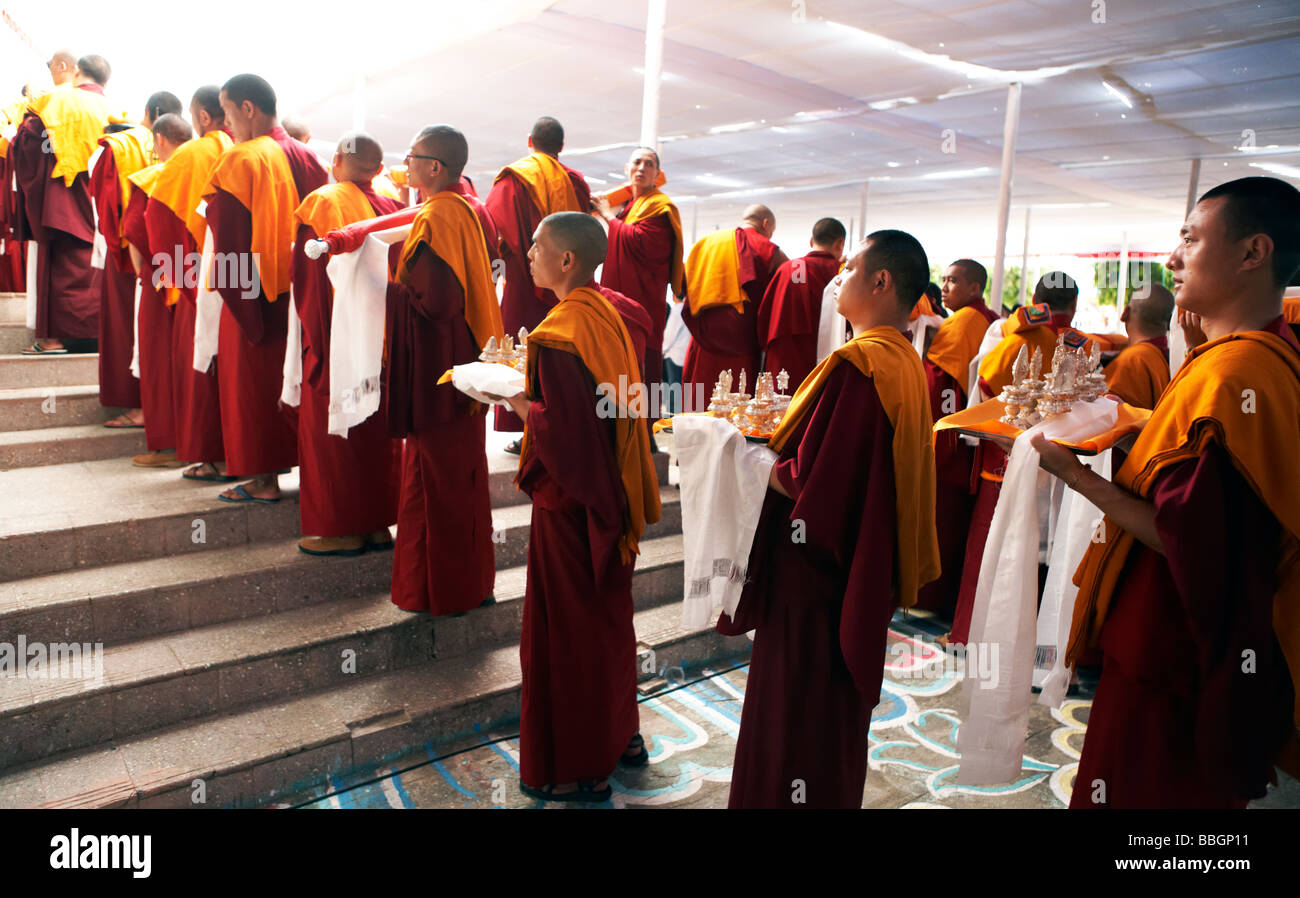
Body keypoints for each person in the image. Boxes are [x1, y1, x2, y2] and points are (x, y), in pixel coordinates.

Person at [1037, 176, 1300, 808]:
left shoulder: (1234, 374)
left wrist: (1072, 473)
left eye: (1190, 238)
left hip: (1175, 649)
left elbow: (1187, 538)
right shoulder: (1257, 354)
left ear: (1252, 252)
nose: (1172, 258)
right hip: (1202, 644)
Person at [720, 229, 940, 808]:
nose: (837, 279)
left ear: (881, 282)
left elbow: (811, 486)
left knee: (793, 724)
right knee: (830, 726)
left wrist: (741, 454)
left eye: (849, 269)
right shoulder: (902, 364)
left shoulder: (860, 365)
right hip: (856, 577)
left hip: (812, 583)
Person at [497, 211, 660, 802]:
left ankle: (576, 766)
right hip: (612, 491)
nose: (528, 254)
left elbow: (563, 434)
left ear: (567, 260)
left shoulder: (561, 331)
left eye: (536, 247)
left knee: (565, 635)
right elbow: (613, 406)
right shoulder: (608, 312)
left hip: (572, 506)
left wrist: (515, 399)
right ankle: (620, 737)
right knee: (607, 623)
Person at [386, 125, 502, 614]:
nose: (406, 165)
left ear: (434, 167)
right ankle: (469, 582)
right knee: (457, 475)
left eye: (411, 157)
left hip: (439, 372)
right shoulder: (470, 210)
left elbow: (434, 302)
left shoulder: (437, 216)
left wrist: (384, 289)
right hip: (465, 361)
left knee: (437, 481)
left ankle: (443, 590)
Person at [946, 273, 1098, 645]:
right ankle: (1034, 643)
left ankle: (971, 632)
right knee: (1045, 554)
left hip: (1006, 457)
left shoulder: (1020, 334)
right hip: (1061, 465)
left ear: (1034, 298)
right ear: (1074, 305)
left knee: (990, 543)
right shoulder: (1083, 345)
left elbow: (984, 379)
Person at [204, 74, 328, 503]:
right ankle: (305, 468)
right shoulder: (308, 157)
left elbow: (229, 236)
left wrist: (237, 300)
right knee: (295, 381)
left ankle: (263, 481)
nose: (226, 123)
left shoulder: (241, 159)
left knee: (252, 386)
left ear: (248, 108)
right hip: (303, 293)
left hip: (255, 295)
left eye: (227, 111)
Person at [290, 132, 404, 556]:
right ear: (377, 169)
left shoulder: (324, 202)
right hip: (384, 340)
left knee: (335, 437)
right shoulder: (391, 208)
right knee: (375, 434)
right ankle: (377, 526)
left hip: (339, 338)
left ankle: (340, 529)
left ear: (336, 160)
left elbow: (310, 281)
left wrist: (318, 348)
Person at [139, 86, 231, 475]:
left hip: (198, 275)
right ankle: (233, 453)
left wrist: (176, 280)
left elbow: (158, 217)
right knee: (230, 369)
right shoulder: (240, 147)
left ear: (204, 118)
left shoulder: (194, 153)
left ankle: (206, 454)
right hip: (241, 275)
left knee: (197, 363)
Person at [484, 116, 590, 447]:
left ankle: (528, 431)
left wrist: (494, 278)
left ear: (530, 141)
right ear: (561, 146)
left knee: (521, 354)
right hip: (568, 285)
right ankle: (558, 424)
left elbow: (495, 238)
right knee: (561, 356)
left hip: (521, 284)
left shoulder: (512, 179)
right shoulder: (576, 182)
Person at [11, 54, 115, 354]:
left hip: (66, 198)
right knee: (100, 266)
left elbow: (30, 143)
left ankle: (54, 339)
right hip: (102, 201)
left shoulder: (58, 100)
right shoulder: (116, 109)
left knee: (62, 264)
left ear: (77, 72)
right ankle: (100, 335)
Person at [91, 91, 181, 427]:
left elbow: (105, 204)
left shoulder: (120, 145)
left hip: (130, 251)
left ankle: (136, 403)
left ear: (149, 112)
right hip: (175, 260)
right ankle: (162, 407)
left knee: (132, 328)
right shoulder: (190, 151)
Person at [915, 259, 999, 616]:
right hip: (973, 434)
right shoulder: (991, 318)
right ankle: (946, 594)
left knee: (939, 513)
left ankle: (928, 595)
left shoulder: (963, 322)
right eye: (944, 280)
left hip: (947, 435)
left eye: (953, 281)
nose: (945, 287)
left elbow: (938, 382)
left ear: (974, 288)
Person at [120, 113, 191, 467]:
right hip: (204, 277)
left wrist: (144, 276)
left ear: (160, 140)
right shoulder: (206, 168)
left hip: (160, 279)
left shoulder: (153, 178)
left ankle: (168, 446)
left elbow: (135, 233)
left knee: (160, 360)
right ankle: (197, 444)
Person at [591, 146, 684, 411]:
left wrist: (609, 216)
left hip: (642, 301)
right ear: (627, 169)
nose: (641, 168)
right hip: (618, 300)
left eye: (649, 164)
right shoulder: (631, 206)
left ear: (657, 174)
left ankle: (644, 439)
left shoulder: (659, 206)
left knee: (639, 366)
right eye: (637, 162)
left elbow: (644, 243)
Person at [680, 204, 788, 410]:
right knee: (735, 409)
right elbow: (789, 284)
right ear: (766, 224)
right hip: (742, 344)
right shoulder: (769, 249)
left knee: (700, 404)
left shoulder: (708, 243)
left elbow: (685, 282)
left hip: (703, 340)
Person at [756, 217, 845, 389]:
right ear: (840, 244)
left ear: (812, 241)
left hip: (781, 358)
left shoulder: (788, 268)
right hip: (823, 359)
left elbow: (764, 316)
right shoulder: (841, 273)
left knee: (779, 409)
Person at [1102, 282, 1175, 409]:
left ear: (1125, 312)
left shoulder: (1132, 360)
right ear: (1168, 322)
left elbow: (1102, 412)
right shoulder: (1172, 358)